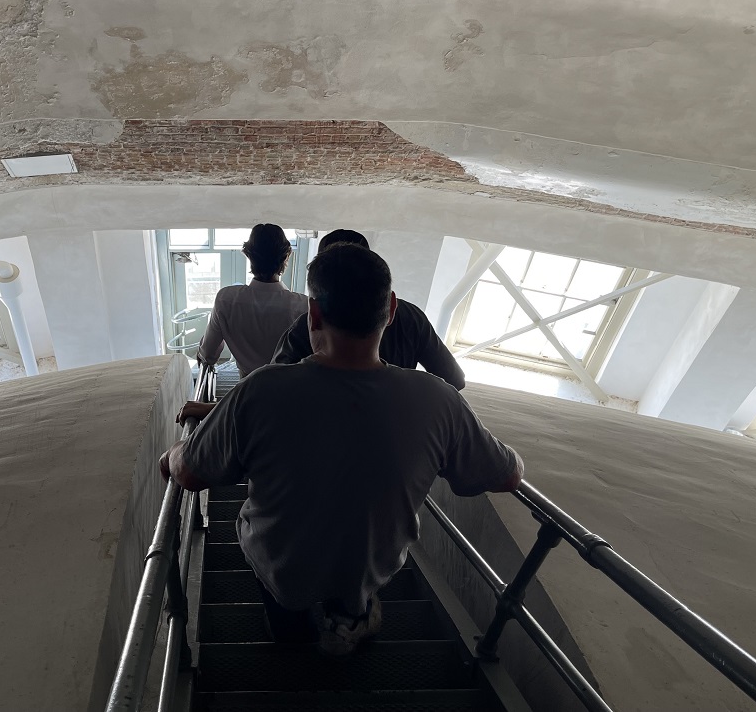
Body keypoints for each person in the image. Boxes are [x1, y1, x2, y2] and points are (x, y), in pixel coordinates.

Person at [160, 243, 523, 656]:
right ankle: (351, 616)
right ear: (391, 310)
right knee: (357, 567)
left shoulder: (260, 390)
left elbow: (190, 473)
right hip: (373, 563)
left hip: (281, 564)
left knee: (284, 603)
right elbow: (508, 474)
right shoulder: (438, 400)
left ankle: (293, 637)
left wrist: (172, 454)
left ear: (313, 314)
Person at [271, 229, 466, 390]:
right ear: (391, 306)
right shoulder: (411, 317)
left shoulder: (305, 328)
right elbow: (454, 379)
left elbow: (273, 389)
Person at [196, 223, 308, 377]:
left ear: (248, 255)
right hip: (286, 390)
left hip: (246, 388)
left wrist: (203, 354)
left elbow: (208, 354)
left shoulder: (226, 299)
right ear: (287, 255)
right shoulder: (303, 306)